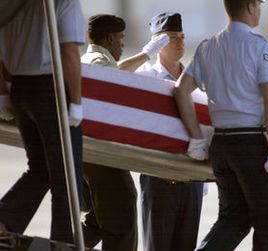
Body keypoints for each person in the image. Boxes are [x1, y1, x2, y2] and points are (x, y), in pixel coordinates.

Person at [173, 0, 268, 250]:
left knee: (233, 218)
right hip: (252, 143)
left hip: (221, 144)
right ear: (251, 6)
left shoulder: (208, 47)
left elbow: (181, 90)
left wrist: (196, 139)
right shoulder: (261, 47)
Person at [80, 14, 170, 251]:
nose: (121, 45)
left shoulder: (91, 58)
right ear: (109, 38)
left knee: (99, 221)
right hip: (103, 157)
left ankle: (60, 244)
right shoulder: (99, 62)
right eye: (120, 40)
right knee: (121, 222)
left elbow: (115, 71)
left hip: (89, 155)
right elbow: (112, 85)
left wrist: (146, 54)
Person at [0, 0, 84, 243]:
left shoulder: (10, 5)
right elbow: (69, 51)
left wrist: (3, 93)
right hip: (52, 88)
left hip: (20, 88)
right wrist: (76, 102)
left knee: (40, 168)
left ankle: (5, 219)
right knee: (67, 179)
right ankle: (62, 243)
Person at [136, 12, 204, 251]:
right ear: (157, 42)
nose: (179, 42)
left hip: (191, 178)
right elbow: (114, 74)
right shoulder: (146, 77)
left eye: (182, 37)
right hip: (160, 177)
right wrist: (147, 52)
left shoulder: (195, 79)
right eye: (171, 37)